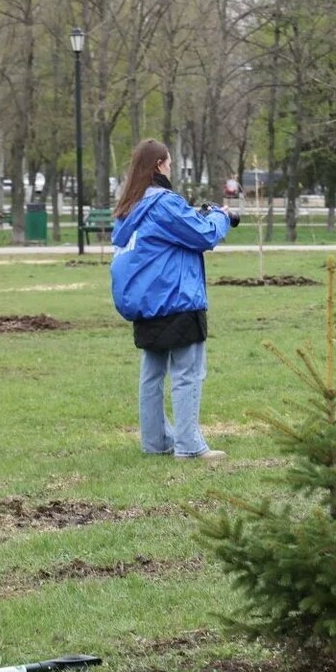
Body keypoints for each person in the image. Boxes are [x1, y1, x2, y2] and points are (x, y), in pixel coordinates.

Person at [110, 139, 234, 461]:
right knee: (188, 372)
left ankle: (155, 442)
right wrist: (221, 216)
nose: (171, 168)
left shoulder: (129, 209)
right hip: (177, 300)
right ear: (158, 165)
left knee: (152, 374)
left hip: (147, 304)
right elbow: (204, 235)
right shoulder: (164, 203)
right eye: (169, 163)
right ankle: (189, 446)